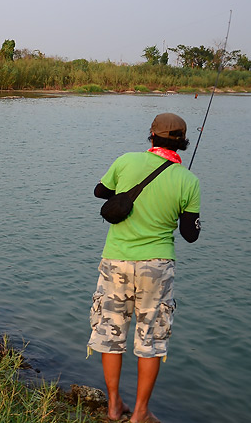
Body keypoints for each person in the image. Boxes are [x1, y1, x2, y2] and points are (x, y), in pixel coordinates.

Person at [88, 113, 201, 423]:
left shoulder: (125, 161)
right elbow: (190, 234)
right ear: (183, 142)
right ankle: (140, 414)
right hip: (157, 268)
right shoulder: (188, 180)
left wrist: (124, 193)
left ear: (151, 135)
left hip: (116, 262)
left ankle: (113, 406)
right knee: (150, 341)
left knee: (111, 334)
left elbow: (100, 192)